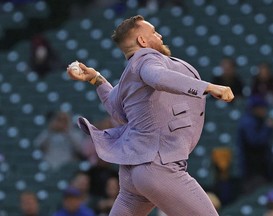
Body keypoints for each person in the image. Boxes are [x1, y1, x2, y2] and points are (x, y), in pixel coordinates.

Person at [67, 15, 234, 215]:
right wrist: (207, 87)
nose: (160, 35)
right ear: (142, 41)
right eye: (154, 32)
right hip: (158, 166)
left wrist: (96, 79)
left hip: (133, 172)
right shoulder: (147, 59)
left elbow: (116, 110)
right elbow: (158, 77)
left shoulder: (129, 73)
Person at [237, 96, 273, 193]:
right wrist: (267, 128)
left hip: (260, 168)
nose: (264, 111)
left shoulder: (258, 120)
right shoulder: (248, 122)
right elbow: (254, 142)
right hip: (253, 170)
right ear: (255, 108)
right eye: (262, 108)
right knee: (255, 192)